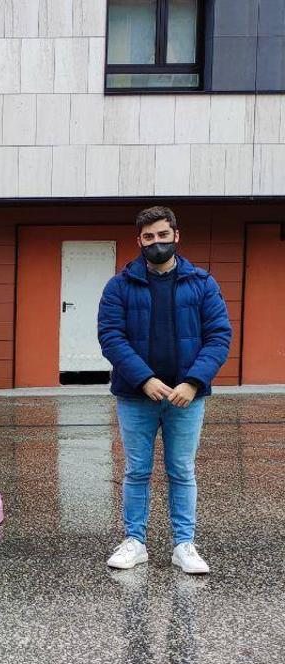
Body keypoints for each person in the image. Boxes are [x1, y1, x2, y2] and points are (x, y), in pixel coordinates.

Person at [98, 206, 232, 575]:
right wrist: (145, 378)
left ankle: (184, 544)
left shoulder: (203, 284)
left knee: (181, 470)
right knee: (137, 470)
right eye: (148, 237)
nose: (156, 243)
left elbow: (219, 336)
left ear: (176, 236)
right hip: (135, 396)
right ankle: (135, 542)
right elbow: (111, 337)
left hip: (186, 398)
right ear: (139, 241)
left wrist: (192, 382)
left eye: (162, 235)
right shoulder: (119, 286)